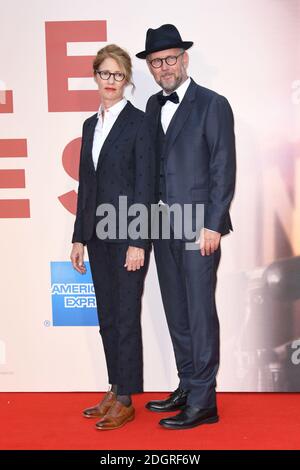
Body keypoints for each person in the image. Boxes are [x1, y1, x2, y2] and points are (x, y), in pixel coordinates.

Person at [136, 24, 236, 429]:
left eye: (170, 58)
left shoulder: (212, 104)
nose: (164, 67)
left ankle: (205, 400)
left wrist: (213, 224)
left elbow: (223, 167)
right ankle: (187, 384)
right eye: (156, 62)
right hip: (162, 225)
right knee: (176, 310)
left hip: (199, 229)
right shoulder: (150, 106)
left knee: (199, 312)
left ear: (184, 59)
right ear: (151, 67)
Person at [70, 44, 154, 430]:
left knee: (125, 317)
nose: (111, 81)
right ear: (96, 77)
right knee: (107, 318)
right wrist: (78, 238)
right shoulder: (90, 125)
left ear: (127, 80)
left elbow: (145, 184)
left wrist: (138, 240)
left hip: (127, 236)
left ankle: (126, 398)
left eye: (118, 75)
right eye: (104, 74)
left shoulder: (139, 123)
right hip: (97, 236)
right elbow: (86, 185)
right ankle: (114, 384)